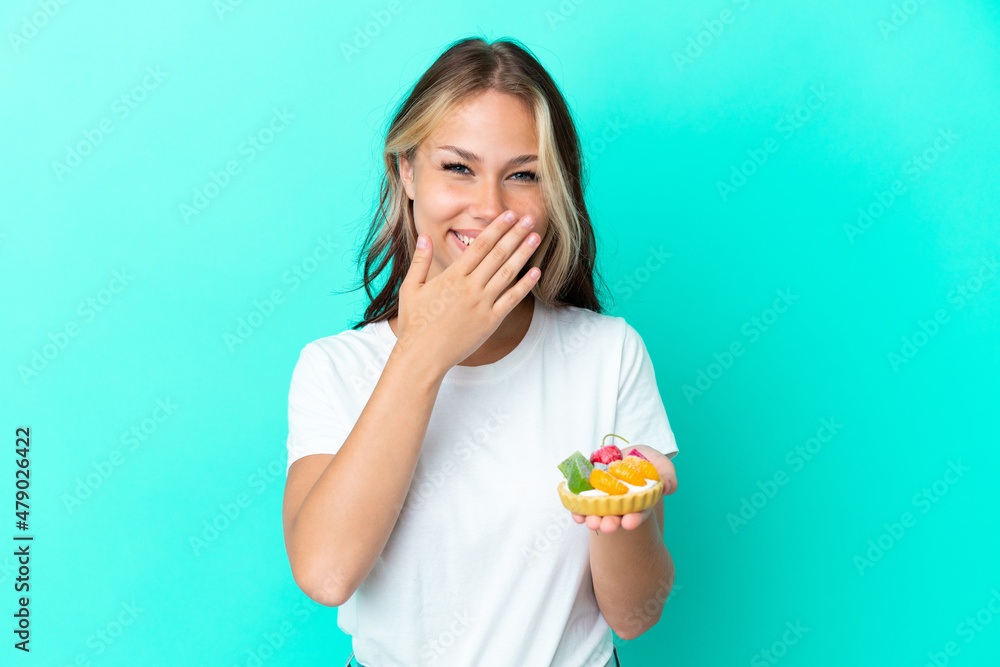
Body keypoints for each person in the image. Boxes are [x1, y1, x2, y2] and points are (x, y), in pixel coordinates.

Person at [282, 36, 679, 667]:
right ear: (406, 173)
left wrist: (618, 511)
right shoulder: (334, 368)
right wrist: (423, 353)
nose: (490, 210)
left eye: (523, 175)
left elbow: (635, 616)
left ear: (556, 194)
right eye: (458, 168)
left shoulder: (608, 354)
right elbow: (327, 575)